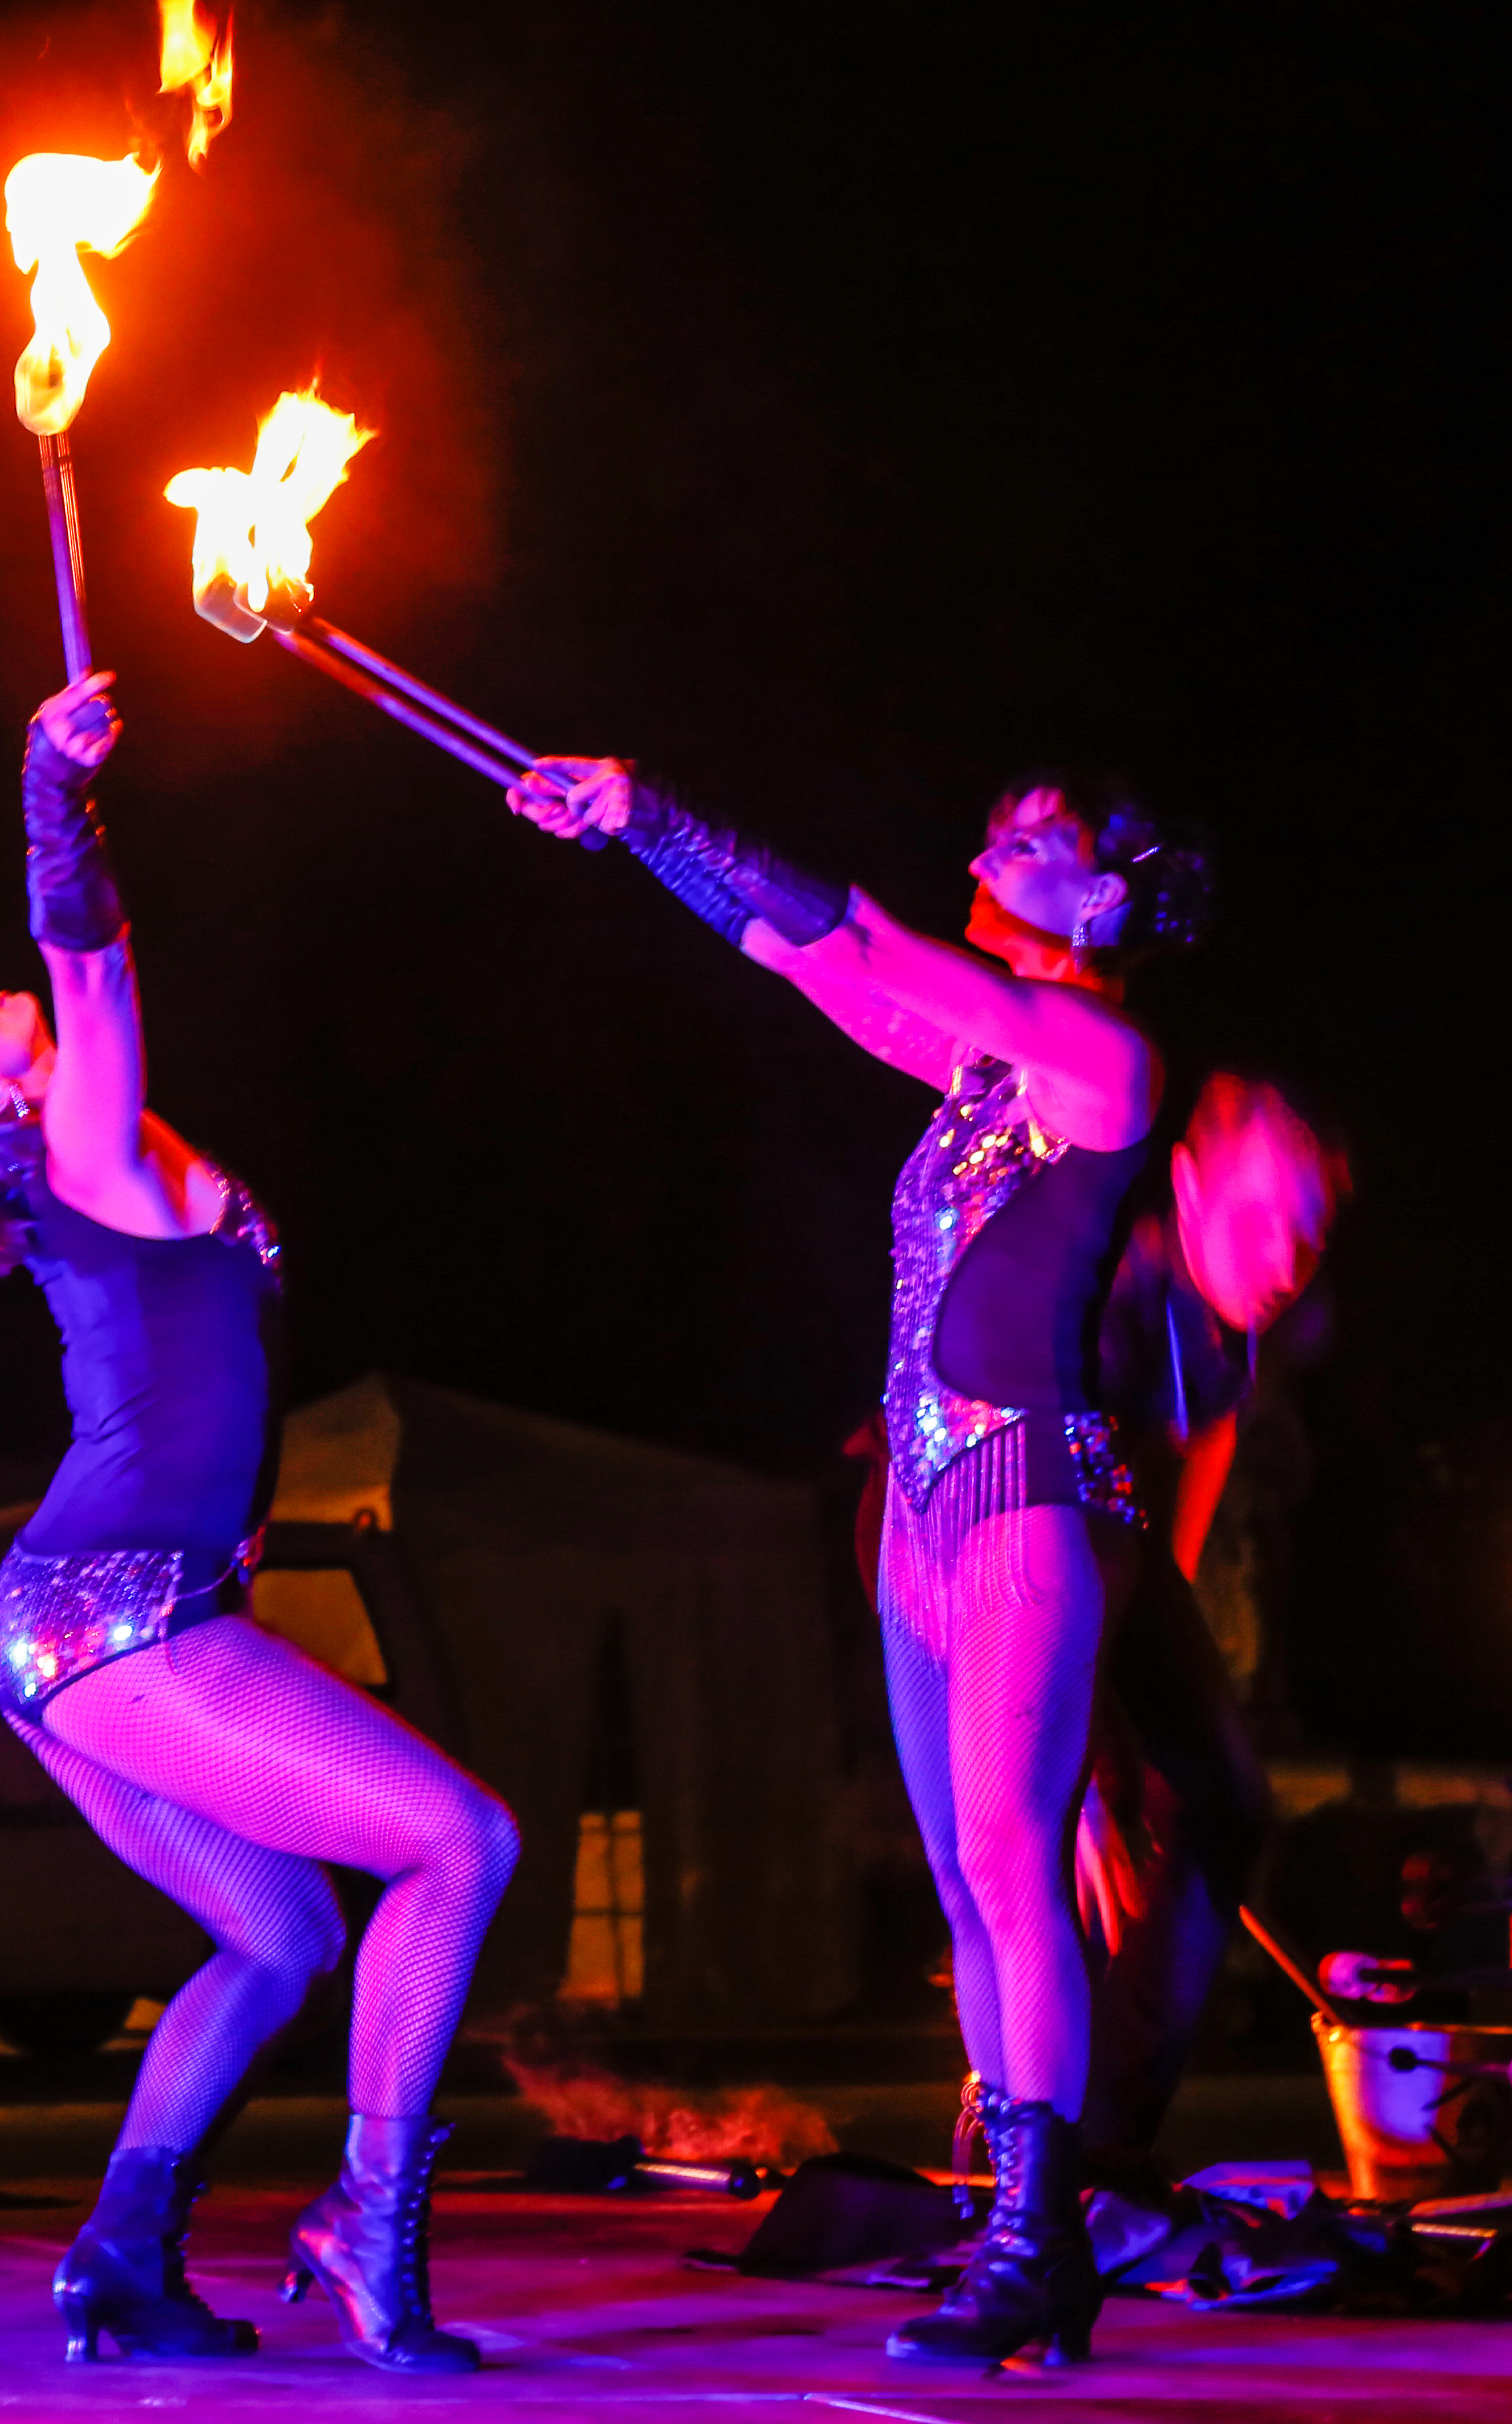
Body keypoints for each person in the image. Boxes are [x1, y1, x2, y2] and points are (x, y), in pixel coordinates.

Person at [0, 673, 520, 2374]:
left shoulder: (20, 1130)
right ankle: (370, 2224)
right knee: (459, 1845)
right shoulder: (87, 1144)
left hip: (68, 1627)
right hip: (130, 1619)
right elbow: (89, 961)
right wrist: (53, 786)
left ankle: (120, 2252)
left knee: (284, 1932)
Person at [507, 757, 1210, 2366]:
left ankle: (1044, 2246)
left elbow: (879, 936)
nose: (989, 838)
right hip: (921, 1506)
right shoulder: (980, 1063)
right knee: (968, 1885)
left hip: (1027, 1491)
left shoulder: (1098, 1052)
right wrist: (634, 842)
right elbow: (805, 952)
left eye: (1032, 837)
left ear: (1102, 899)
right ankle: (1022, 2226)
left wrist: (664, 804)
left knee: (1014, 1870)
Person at [1072, 1075, 1339, 2168]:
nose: (1283, 1266)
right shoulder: (1109, 1296)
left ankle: (1110, 2140)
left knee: (1222, 1800)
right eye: (1258, 1223)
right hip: (972, 1534)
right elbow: (1047, 1546)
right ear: (1184, 1188)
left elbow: (1211, 1434)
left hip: (1106, 1556)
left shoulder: (1229, 1322)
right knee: (1069, 1820)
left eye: (1307, 1239)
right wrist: (1087, 1755)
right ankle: (1026, 2134)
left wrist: (1166, 1618)